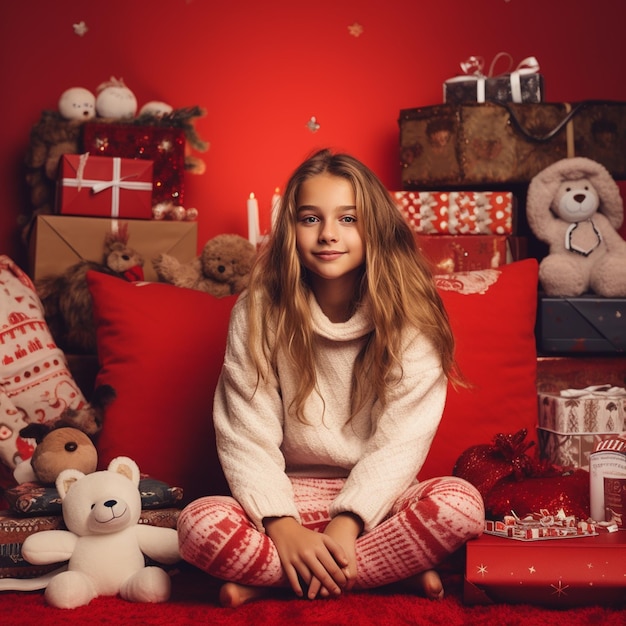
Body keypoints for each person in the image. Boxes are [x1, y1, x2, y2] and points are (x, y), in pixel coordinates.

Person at [177, 148, 485, 607]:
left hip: (378, 504)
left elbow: (401, 444)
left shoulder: (410, 315)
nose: (327, 235)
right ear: (290, 229)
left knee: (461, 505)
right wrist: (282, 526)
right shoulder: (259, 310)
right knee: (197, 524)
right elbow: (246, 436)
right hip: (284, 498)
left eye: (347, 219)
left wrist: (348, 522)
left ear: (374, 227)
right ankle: (384, 572)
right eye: (309, 219)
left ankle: (277, 580)